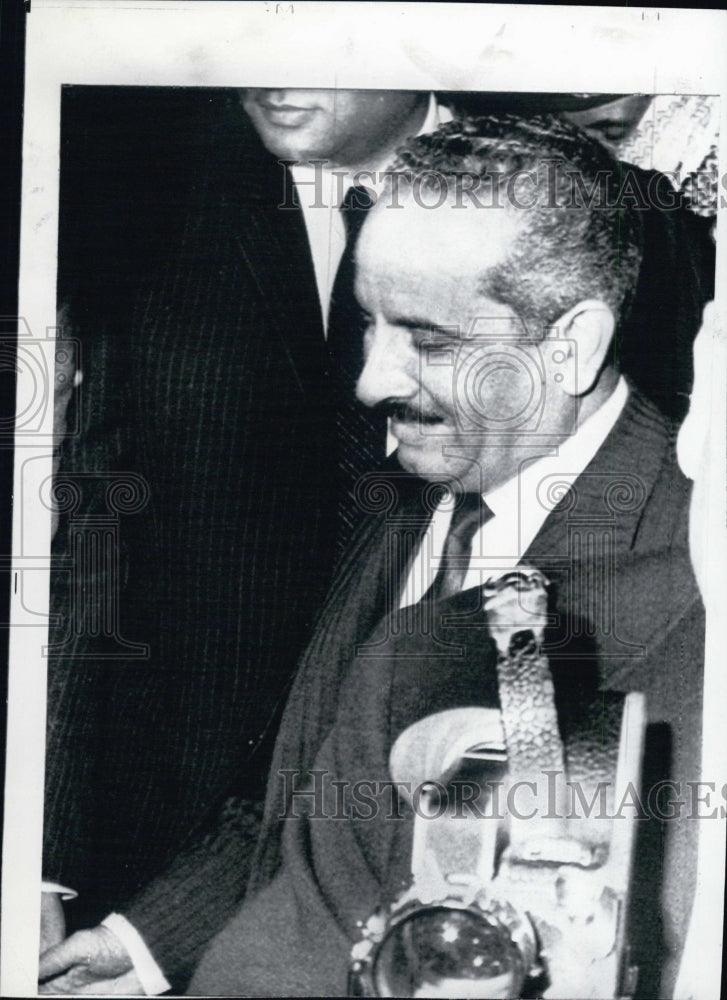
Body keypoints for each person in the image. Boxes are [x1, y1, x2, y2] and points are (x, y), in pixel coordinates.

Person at [39, 94, 712, 996]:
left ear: (572, 348)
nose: (369, 383)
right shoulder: (410, 493)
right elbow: (312, 782)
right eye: (369, 322)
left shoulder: (691, 586)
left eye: (429, 341)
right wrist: (146, 941)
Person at [40, 87, 439, 994]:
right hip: (145, 840)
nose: (270, 63)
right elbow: (89, 536)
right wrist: (41, 853)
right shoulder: (130, 186)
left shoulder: (592, 217)